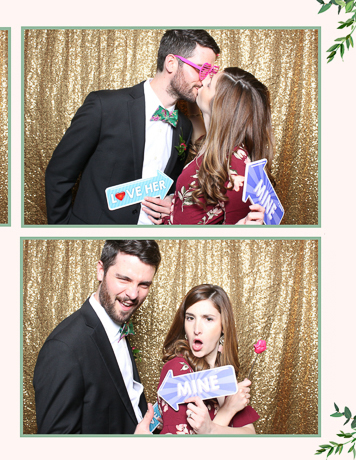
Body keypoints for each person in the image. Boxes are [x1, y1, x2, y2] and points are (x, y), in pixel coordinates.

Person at [45, 29, 219, 225]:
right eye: (200, 69)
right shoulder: (104, 106)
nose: (205, 80)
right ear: (171, 63)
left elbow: (170, 183)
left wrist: (172, 200)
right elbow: (59, 174)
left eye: (210, 72)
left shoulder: (184, 126)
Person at [33, 240, 160, 434]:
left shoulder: (116, 323)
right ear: (101, 270)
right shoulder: (64, 348)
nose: (133, 294)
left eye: (143, 284)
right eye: (124, 279)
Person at [164, 68, 274, 224]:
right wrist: (176, 202)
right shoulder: (214, 146)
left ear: (220, 106)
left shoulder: (237, 169)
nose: (204, 79)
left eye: (209, 84)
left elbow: (233, 237)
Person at [158, 284, 258, 434]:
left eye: (208, 319)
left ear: (223, 326)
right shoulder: (178, 369)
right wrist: (227, 411)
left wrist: (212, 428)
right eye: (190, 318)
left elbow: (250, 435)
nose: (197, 329)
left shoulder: (223, 372)